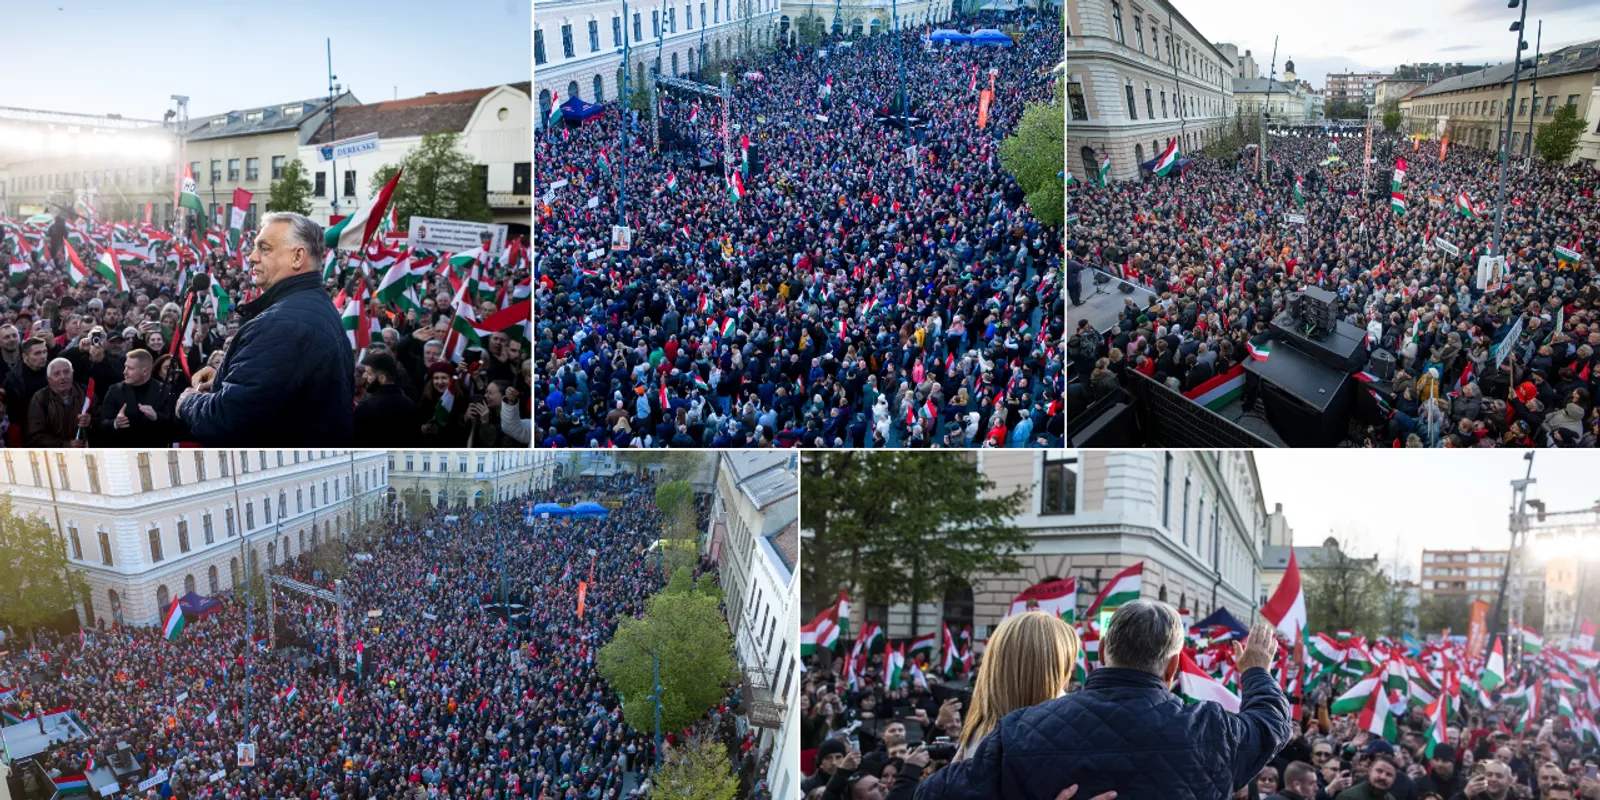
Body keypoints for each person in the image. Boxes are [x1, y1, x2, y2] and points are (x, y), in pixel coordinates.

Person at [916, 602, 1291, 800]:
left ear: (1102, 655)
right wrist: (1256, 670)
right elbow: (1272, 724)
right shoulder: (1214, 731)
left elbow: (929, 794)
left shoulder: (1019, 728)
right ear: (1173, 666)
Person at [176, 212, 354, 445]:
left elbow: (229, 419)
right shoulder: (317, 306)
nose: (251, 257)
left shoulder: (279, 325)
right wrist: (223, 376)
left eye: (265, 248)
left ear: (298, 257)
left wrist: (189, 403)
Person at [955, 611, 1080, 761]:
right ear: (1047, 672)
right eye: (1065, 666)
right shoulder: (1068, 735)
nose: (1067, 677)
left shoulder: (976, 736)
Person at [96, 349, 174, 446]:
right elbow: (101, 424)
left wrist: (156, 417)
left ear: (144, 371)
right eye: (125, 367)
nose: (124, 372)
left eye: (130, 368)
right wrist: (115, 423)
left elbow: (174, 426)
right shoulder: (115, 391)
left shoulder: (165, 391)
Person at [353, 351, 421, 446]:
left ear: (382, 378)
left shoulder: (366, 407)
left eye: (369, 373)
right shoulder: (410, 404)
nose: (364, 376)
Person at [25, 356, 93, 446]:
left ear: (72, 373)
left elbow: (101, 422)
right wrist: (66, 445)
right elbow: (35, 436)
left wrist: (90, 422)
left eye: (66, 372)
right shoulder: (40, 398)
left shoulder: (85, 393)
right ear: (49, 379)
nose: (63, 377)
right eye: (56, 374)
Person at [1449, 759, 1513, 800]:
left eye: (1499, 776)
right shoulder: (1473, 797)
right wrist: (1464, 795)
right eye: (1489, 775)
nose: (1493, 779)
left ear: (1509, 780)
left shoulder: (1516, 797)